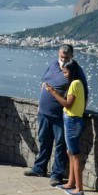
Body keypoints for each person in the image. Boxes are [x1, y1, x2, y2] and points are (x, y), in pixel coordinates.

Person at [24, 44, 88, 186]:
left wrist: (79, 113)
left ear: (72, 56)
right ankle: (39, 167)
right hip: (44, 112)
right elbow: (44, 83)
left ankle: (57, 174)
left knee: (60, 145)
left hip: (61, 115)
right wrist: (40, 103)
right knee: (44, 140)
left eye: (66, 57)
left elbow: (84, 92)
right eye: (61, 57)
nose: (63, 60)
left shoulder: (75, 70)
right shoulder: (52, 65)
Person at [45, 60, 88, 195]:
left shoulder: (75, 84)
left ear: (72, 71)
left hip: (72, 121)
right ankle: (71, 183)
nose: (64, 75)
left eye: (66, 72)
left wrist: (52, 92)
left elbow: (67, 104)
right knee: (70, 153)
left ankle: (79, 189)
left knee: (74, 155)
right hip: (73, 120)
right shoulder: (78, 83)